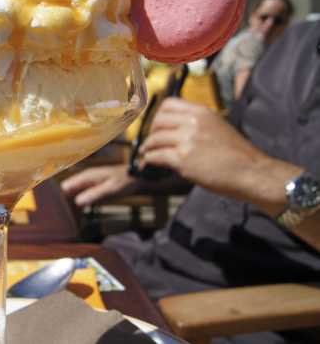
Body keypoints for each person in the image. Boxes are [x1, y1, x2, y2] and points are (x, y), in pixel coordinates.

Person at [63, 20, 320, 344]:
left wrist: (257, 174)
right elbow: (229, 153)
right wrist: (144, 177)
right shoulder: (297, 40)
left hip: (230, 316)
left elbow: (243, 166)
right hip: (146, 259)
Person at [211, 0, 292, 109]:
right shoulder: (251, 42)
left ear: (286, 24)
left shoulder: (244, 39)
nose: (269, 24)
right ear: (252, 16)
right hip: (232, 114)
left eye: (278, 21)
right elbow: (243, 95)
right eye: (264, 17)